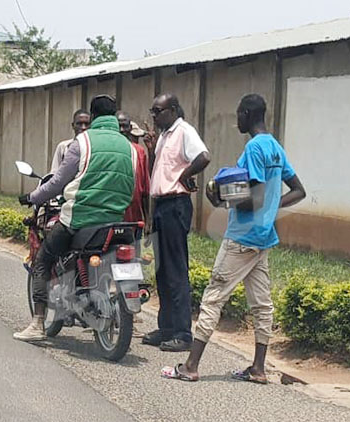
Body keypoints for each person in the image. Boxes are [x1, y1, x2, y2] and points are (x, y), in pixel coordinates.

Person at [161, 94, 305, 383]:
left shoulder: (254, 148)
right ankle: (258, 369)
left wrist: (218, 197)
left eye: (238, 115)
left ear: (248, 113)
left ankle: (190, 366)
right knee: (262, 305)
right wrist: (272, 207)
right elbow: (298, 190)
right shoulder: (276, 147)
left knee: (213, 296)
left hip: (242, 236)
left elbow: (252, 197)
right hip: (263, 239)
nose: (236, 120)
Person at [13, 95, 137, 342]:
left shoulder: (82, 143)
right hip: (116, 220)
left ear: (92, 117)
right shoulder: (129, 147)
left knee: (42, 260)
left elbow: (57, 182)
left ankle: (38, 323)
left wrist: (33, 197)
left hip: (81, 218)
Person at [142, 94, 211, 352]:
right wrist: (151, 151)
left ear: (172, 110)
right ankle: (167, 327)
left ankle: (183, 333)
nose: (154, 116)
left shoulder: (183, 131)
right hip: (161, 205)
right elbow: (156, 172)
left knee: (176, 270)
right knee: (162, 270)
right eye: (152, 110)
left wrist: (185, 174)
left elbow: (204, 156)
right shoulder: (163, 136)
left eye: (158, 111)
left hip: (175, 205)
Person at [117, 111, 150, 224]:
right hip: (112, 216)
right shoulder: (105, 150)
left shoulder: (139, 152)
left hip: (134, 217)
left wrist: (147, 218)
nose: (121, 130)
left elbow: (145, 189)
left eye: (124, 126)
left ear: (130, 128)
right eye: (118, 126)